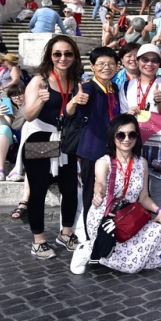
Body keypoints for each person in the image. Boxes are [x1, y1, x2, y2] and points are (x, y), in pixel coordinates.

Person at [70, 114, 161, 274]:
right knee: (132, 267)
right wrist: (98, 193)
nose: (126, 139)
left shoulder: (141, 163)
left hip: (128, 218)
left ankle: (98, 252)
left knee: (159, 231)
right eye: (121, 135)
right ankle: (87, 250)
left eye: (132, 134)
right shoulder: (104, 162)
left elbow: (143, 197)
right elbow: (100, 182)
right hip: (105, 218)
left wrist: (159, 210)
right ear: (113, 137)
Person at [19, 36, 81, 258]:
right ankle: (38, 241)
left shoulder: (75, 82)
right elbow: (28, 115)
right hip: (40, 139)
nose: (63, 58)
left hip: (65, 141)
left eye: (68, 53)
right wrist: (41, 100)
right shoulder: (39, 81)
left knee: (70, 189)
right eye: (57, 54)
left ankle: (66, 233)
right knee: (38, 191)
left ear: (74, 56)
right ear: (50, 56)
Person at [66, 47, 122, 237]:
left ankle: (105, 235)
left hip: (111, 149)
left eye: (111, 64)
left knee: (109, 193)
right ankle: (90, 237)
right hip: (92, 149)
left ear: (117, 66)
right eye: (101, 64)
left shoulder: (114, 88)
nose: (107, 67)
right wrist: (74, 102)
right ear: (92, 66)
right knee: (92, 194)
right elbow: (70, 114)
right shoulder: (88, 87)